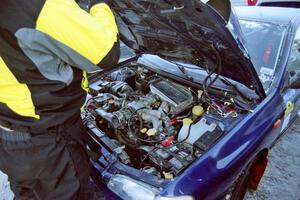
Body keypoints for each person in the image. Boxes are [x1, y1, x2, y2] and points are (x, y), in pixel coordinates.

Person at [0, 0, 119, 199]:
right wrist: (100, 4)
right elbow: (107, 53)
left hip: (11, 134)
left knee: (31, 193)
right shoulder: (42, 5)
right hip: (49, 142)